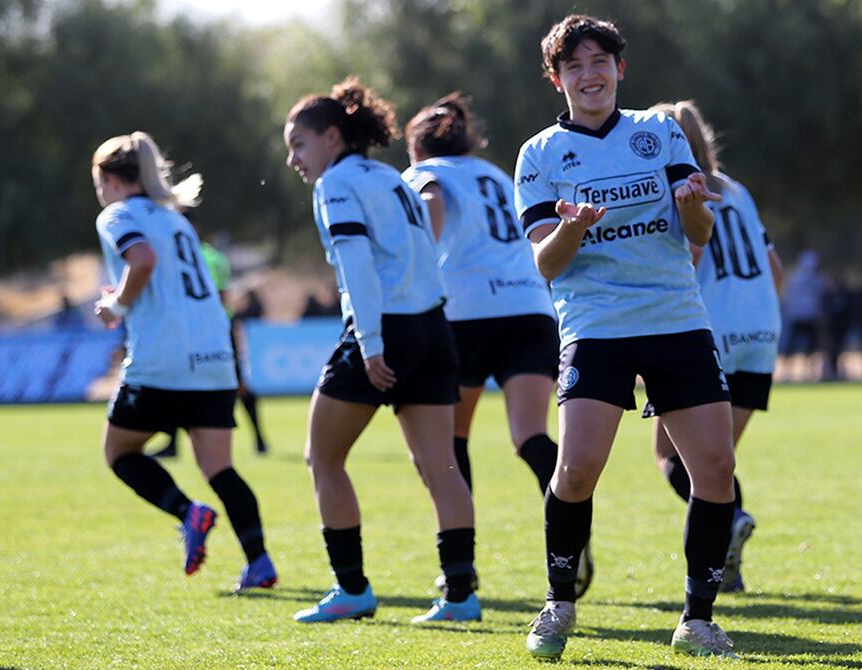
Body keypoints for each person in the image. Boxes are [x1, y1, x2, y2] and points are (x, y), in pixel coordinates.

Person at [515, 15, 738, 660]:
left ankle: (698, 618)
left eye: (600, 62)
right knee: (577, 469)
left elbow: (697, 234)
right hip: (597, 328)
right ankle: (558, 604)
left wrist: (694, 199)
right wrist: (575, 227)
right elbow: (547, 263)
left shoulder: (658, 131)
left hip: (676, 320)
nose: (590, 75)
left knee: (716, 470)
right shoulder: (539, 154)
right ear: (557, 78)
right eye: (575, 66)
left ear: (620, 69)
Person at [283, 78, 480, 624]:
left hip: (386, 330)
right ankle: (461, 596)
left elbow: (358, 269)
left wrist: (369, 345)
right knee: (441, 467)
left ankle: (351, 589)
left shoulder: (337, 183)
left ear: (330, 137)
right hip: (434, 327)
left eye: (298, 145)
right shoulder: (389, 176)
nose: (293, 159)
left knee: (322, 458)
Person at [402, 93, 593, 598]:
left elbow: (430, 200)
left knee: (449, 443)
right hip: (530, 306)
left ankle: (460, 564)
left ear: (416, 147)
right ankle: (573, 536)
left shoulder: (425, 170)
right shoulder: (492, 173)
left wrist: (419, 264)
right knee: (530, 436)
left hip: (464, 312)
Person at [90, 131, 276, 592]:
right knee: (220, 467)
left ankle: (188, 513)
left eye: (97, 181)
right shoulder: (176, 219)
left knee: (119, 452)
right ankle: (260, 562)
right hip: (213, 355)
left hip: (163, 356)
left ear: (111, 179)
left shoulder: (118, 213)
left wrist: (116, 308)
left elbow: (143, 259)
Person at [645, 100, 784, 596]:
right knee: (716, 459)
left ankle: (732, 521)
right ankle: (729, 566)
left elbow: (690, 256)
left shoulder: (677, 190)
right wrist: (762, 317)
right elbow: (776, 270)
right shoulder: (738, 192)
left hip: (712, 333)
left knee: (674, 456)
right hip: (762, 333)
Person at [152, 208, 270, 458]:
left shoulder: (210, 258)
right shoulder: (170, 257)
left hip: (214, 331)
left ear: (192, 228)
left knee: (237, 385)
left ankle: (259, 439)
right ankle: (172, 444)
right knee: (176, 381)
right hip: (185, 332)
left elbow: (221, 298)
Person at [781, 251, 826, 381]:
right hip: (797, 317)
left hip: (809, 318)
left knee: (811, 348)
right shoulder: (796, 279)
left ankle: (809, 372)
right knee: (792, 347)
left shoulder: (816, 280)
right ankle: (789, 372)